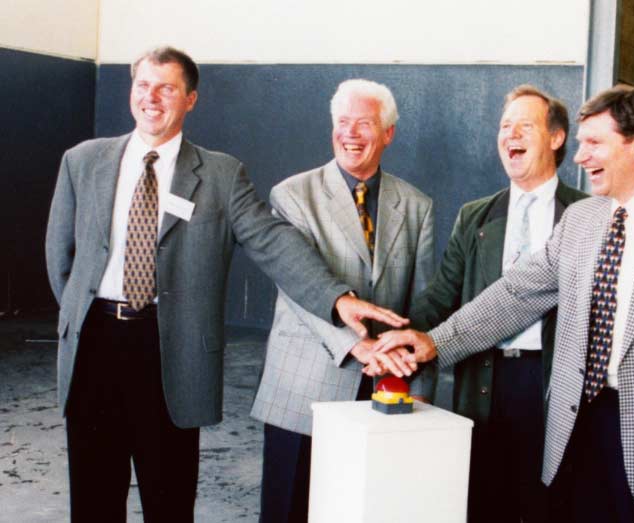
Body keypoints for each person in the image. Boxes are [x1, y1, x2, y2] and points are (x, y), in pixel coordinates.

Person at [44, 47, 406, 523]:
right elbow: (61, 260)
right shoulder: (82, 161)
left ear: (190, 99)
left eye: (167, 88)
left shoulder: (220, 174)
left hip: (172, 354)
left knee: (169, 502)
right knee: (92, 502)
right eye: (143, 85)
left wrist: (337, 300)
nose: (151, 98)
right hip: (94, 345)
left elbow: (273, 242)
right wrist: (81, 314)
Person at [374, 85, 634, 522]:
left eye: (594, 143)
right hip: (581, 423)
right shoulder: (582, 220)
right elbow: (516, 293)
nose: (579, 157)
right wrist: (434, 342)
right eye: (580, 143)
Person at [250, 78, 435, 523]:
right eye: (342, 122)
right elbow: (299, 291)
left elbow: (423, 302)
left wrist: (411, 375)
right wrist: (357, 345)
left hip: (384, 389)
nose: (350, 133)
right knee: (290, 510)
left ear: (388, 133)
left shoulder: (417, 205)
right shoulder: (292, 195)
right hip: (304, 390)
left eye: (364, 123)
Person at [404, 84, 585, 523]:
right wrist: (394, 334)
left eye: (524, 126)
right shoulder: (475, 216)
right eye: (504, 126)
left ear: (556, 137)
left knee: (550, 506)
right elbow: (442, 296)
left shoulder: (586, 215)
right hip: (483, 380)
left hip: (551, 384)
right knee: (484, 503)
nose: (510, 135)